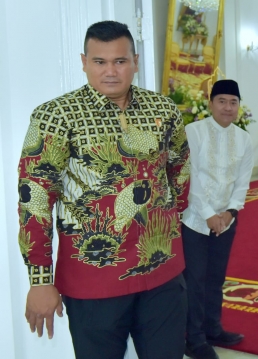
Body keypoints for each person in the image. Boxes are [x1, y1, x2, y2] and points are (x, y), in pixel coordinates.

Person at [18, 21, 190, 359]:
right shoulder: (56, 116)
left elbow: (179, 172)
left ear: (135, 62)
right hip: (92, 281)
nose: (110, 71)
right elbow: (34, 197)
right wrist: (40, 278)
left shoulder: (164, 110)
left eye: (120, 61)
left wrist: (167, 225)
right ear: (84, 61)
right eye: (100, 62)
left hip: (163, 274)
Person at [181, 79, 254, 359]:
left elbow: (243, 181)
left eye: (233, 102)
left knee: (216, 278)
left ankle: (212, 328)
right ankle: (194, 338)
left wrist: (230, 212)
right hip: (196, 221)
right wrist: (209, 214)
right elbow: (192, 177)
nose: (227, 107)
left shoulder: (244, 139)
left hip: (226, 222)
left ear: (238, 106)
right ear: (211, 103)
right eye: (221, 101)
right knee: (195, 280)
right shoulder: (194, 132)